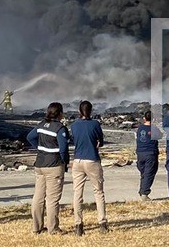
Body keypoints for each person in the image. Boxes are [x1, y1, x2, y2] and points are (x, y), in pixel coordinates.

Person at [27, 101, 69, 235]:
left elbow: (30, 137)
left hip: (39, 165)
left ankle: (36, 227)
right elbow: (63, 149)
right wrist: (64, 161)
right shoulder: (59, 128)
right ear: (60, 114)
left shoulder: (41, 124)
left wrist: (40, 149)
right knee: (52, 199)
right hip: (54, 166)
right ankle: (53, 228)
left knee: (38, 197)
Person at [69, 100, 108, 236]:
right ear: (91, 111)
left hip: (78, 160)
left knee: (77, 193)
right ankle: (102, 223)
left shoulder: (74, 125)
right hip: (92, 159)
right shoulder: (95, 124)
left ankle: (78, 225)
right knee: (98, 192)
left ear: (80, 111)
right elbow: (101, 141)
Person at [135, 110, 162, 200]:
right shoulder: (154, 128)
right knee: (149, 173)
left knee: (144, 173)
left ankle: (142, 190)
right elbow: (160, 136)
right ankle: (144, 194)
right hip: (150, 153)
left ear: (144, 118)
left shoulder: (140, 128)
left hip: (140, 153)